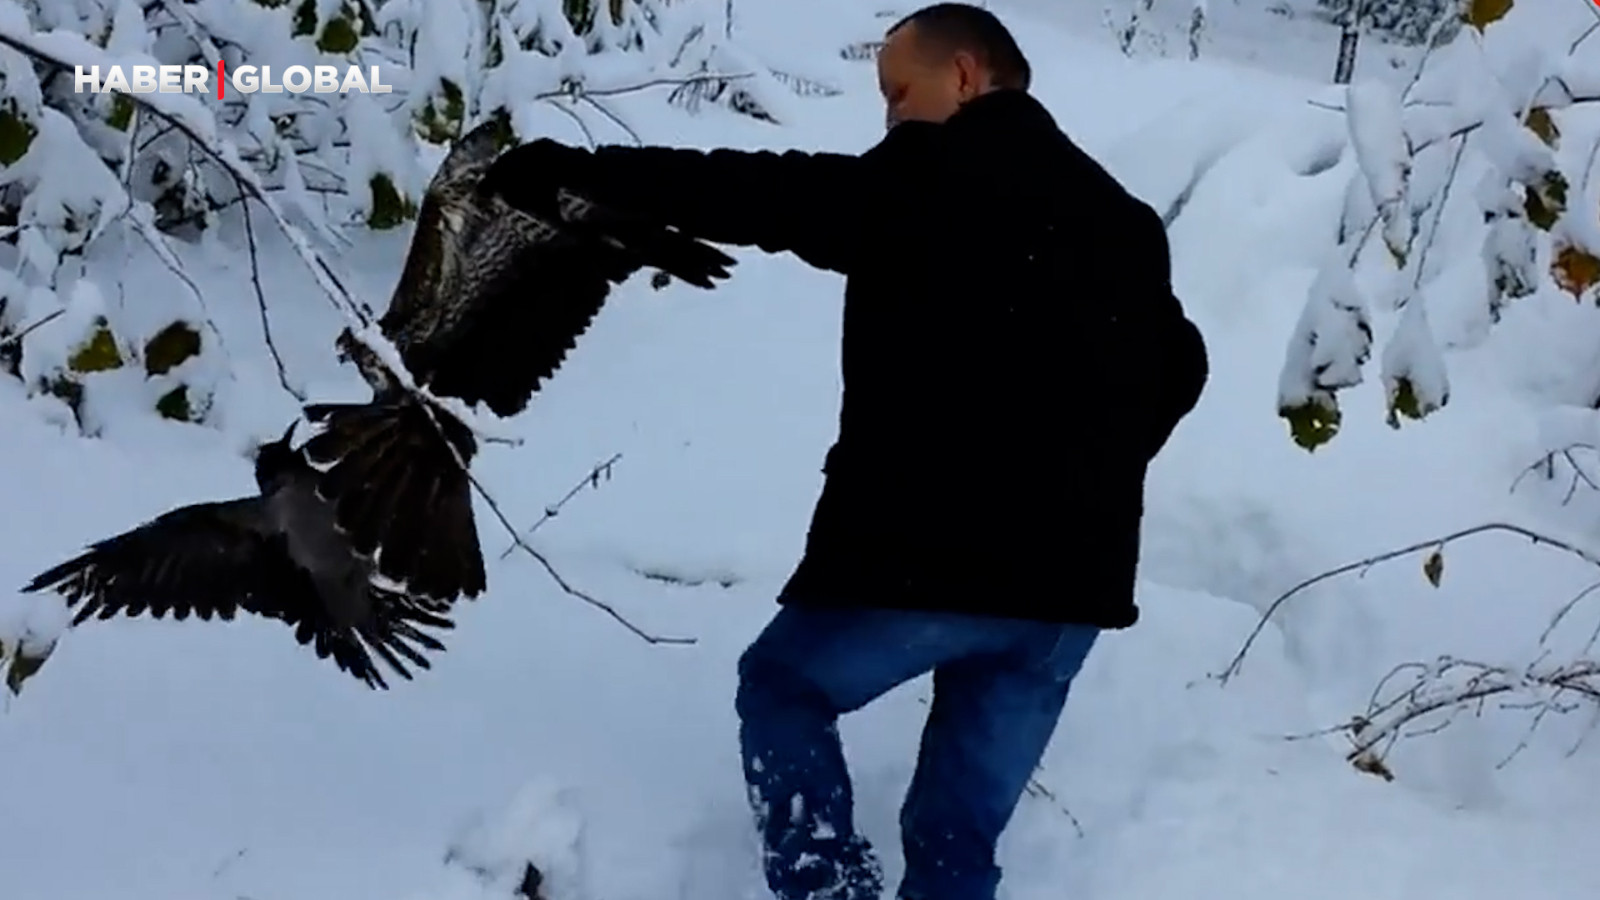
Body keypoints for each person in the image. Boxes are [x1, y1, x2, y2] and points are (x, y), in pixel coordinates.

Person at [479, 4, 1209, 898]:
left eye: (898, 92)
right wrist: (1089, 470)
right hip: (1069, 595)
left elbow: (763, 194)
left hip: (928, 559)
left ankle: (825, 888)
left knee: (783, 687)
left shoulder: (930, 178)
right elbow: (1182, 366)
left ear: (966, 75)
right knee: (957, 840)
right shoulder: (1123, 221)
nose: (890, 116)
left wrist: (582, 175)